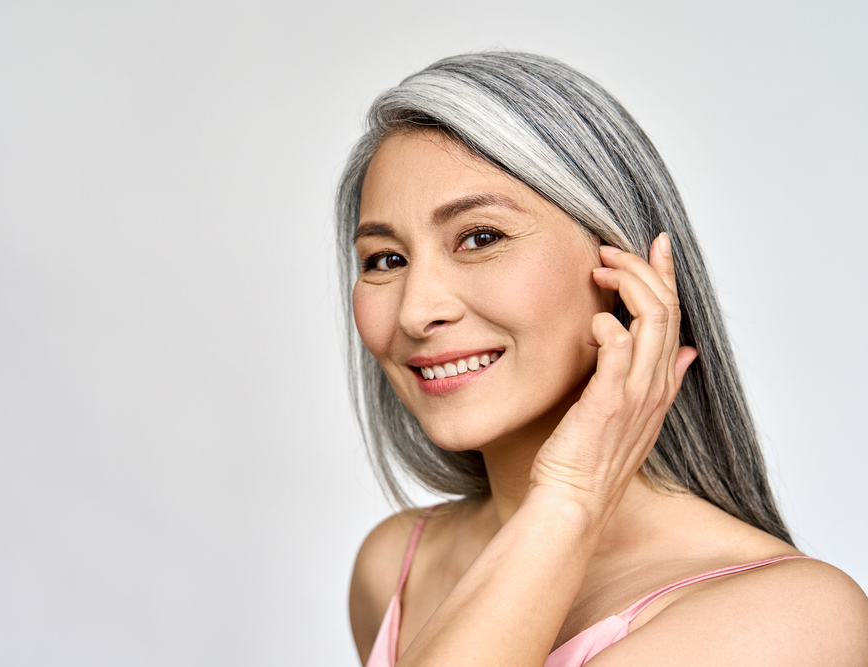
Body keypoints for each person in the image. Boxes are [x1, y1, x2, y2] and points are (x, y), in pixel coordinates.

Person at [337, 52, 868, 667]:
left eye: (481, 238)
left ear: (623, 269)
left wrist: (571, 497)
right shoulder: (397, 565)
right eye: (385, 259)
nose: (414, 312)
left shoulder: (791, 620)